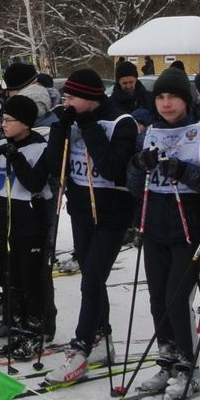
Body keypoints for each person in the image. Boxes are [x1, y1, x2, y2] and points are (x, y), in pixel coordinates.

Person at [126, 67, 200, 399]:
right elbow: (132, 184)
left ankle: (189, 367)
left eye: (173, 96)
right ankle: (168, 359)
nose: (166, 103)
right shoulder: (150, 133)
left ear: (186, 99)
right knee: (158, 299)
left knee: (176, 300)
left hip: (192, 231)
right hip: (156, 227)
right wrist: (138, 166)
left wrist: (186, 171)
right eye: (160, 96)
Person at [47, 68, 137, 382]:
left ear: (89, 98)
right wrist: (62, 127)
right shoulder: (74, 120)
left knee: (91, 281)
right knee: (92, 278)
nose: (66, 102)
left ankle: (81, 347)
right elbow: (52, 163)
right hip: (82, 210)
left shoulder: (121, 123)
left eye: (71, 97)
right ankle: (103, 336)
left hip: (111, 213)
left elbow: (114, 169)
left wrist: (88, 127)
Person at [0, 94, 53, 357]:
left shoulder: (40, 147)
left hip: (30, 221)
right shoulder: (2, 144)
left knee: (31, 281)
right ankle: (15, 329)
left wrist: (16, 157)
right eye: (2, 120)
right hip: (6, 219)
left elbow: (35, 183)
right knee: (10, 279)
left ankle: (34, 332)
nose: (3, 125)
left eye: (8, 120)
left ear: (25, 123)